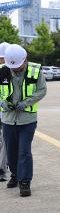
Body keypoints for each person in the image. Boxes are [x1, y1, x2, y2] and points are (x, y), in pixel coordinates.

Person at [0, 44, 46, 196]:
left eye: (18, 67)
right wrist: (2, 102)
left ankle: (25, 182)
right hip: (8, 119)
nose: (15, 70)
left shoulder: (35, 71)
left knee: (24, 151)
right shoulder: (3, 71)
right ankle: (15, 174)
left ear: (25, 59)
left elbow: (42, 90)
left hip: (27, 120)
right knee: (12, 151)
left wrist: (26, 102)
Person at [0, 42, 10, 182]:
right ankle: (2, 169)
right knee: (5, 141)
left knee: (4, 141)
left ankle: (2, 168)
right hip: (6, 113)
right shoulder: (8, 70)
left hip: (6, 112)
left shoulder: (8, 70)